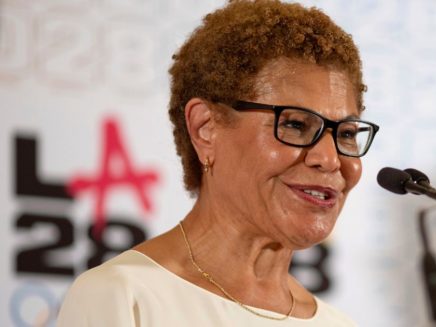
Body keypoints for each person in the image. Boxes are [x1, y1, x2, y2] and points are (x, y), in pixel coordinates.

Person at [57, 0, 379, 325]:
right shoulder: (123, 296)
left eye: (347, 133)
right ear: (205, 129)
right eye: (295, 124)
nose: (329, 159)